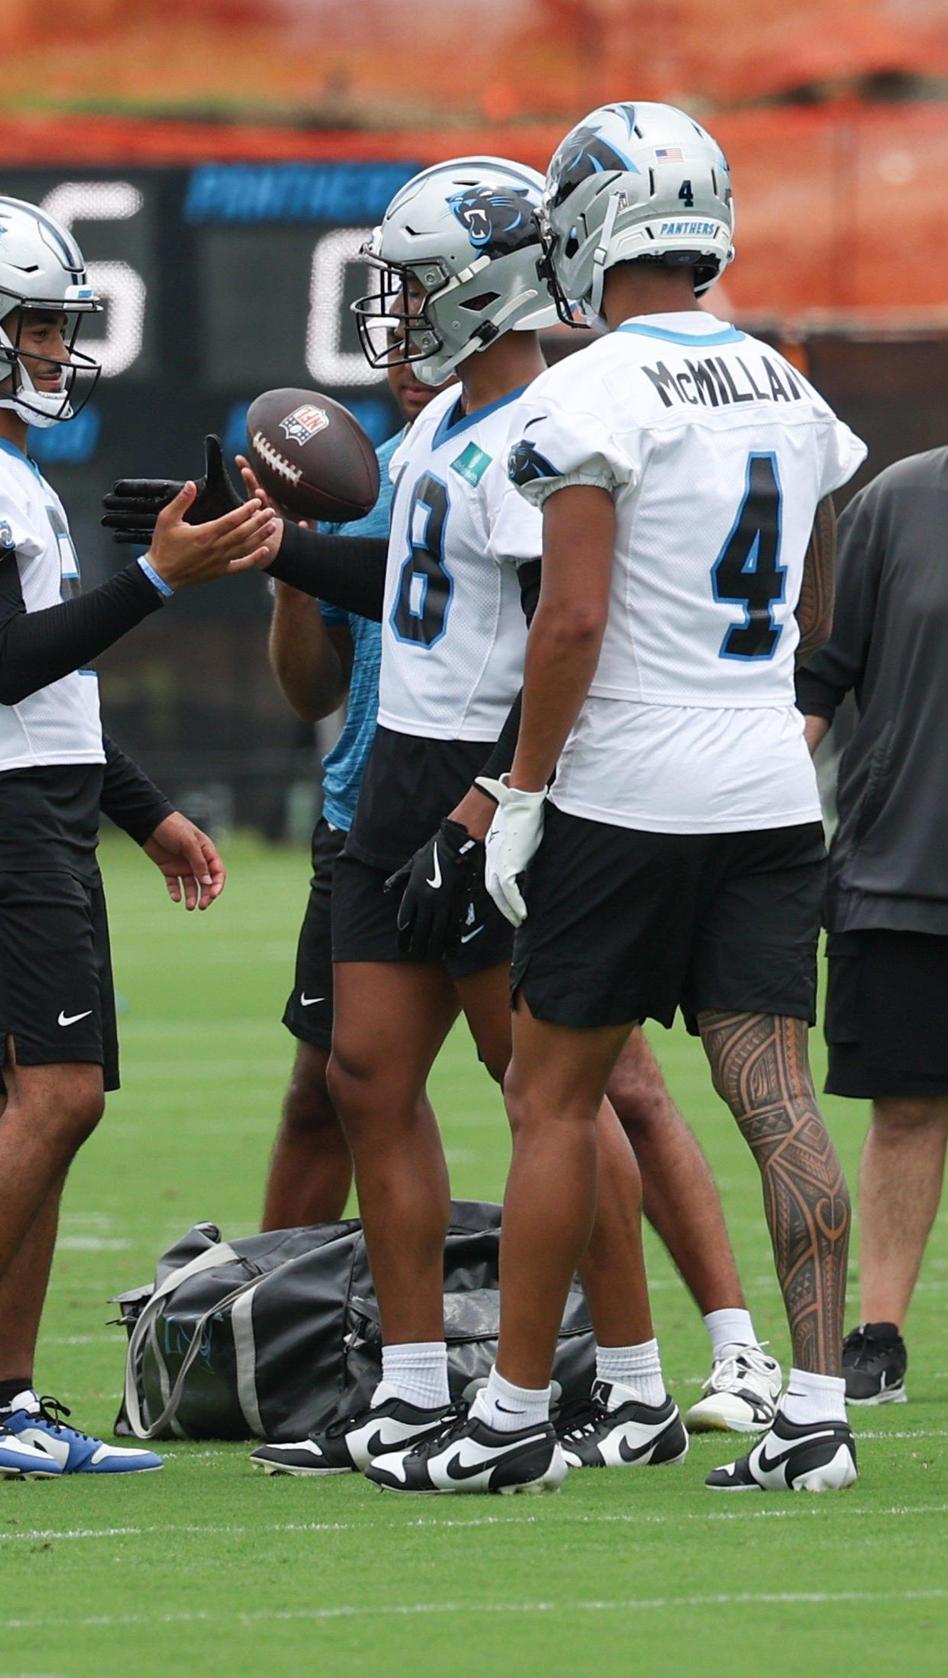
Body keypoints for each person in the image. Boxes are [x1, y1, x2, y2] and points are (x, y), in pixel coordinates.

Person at [381, 102, 866, 1495]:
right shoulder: (788, 381)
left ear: (591, 223)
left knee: (551, 1100)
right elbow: (814, 597)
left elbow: (573, 620)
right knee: (775, 1097)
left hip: (630, 789)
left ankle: (513, 1417)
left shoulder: (585, 394)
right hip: (769, 782)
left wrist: (519, 791)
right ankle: (817, 1413)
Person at [0, 193, 277, 1480]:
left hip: (27, 807)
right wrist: (155, 578)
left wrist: (145, 813)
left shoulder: (3, 474)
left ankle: (2, 1394)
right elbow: (1, 663)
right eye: (33, 323)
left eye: (58, 324)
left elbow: (56, 699)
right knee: (57, 1097)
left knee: (33, 1105)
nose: (54, 346)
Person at [261, 349, 443, 1230]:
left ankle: (710, 1337)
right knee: (329, 1089)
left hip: (499, 810)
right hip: (363, 819)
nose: (412, 356)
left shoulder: (538, 448)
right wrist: (291, 561)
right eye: (400, 329)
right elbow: (312, 691)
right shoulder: (361, 481)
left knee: (595, 1090)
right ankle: (273, 1330)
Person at [796, 447, 948, 1406]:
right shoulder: (899, 499)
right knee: (905, 1109)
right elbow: (816, 685)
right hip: (904, 871)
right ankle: (879, 1335)